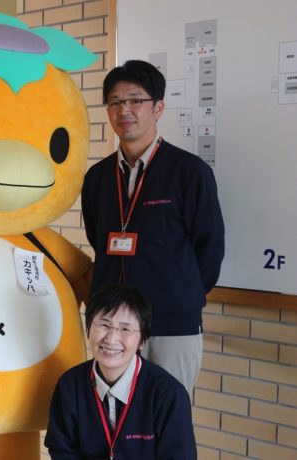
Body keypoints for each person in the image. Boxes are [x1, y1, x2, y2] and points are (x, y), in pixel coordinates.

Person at [81, 60, 224, 394]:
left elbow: (210, 247)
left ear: (158, 108)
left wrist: (177, 293)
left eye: (135, 100)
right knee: (115, 414)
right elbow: (98, 238)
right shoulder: (97, 177)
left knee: (168, 414)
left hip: (171, 324)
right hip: (112, 326)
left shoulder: (189, 172)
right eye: (115, 102)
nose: (124, 110)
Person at [45, 284, 196, 459]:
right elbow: (61, 450)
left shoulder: (169, 395)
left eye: (125, 329)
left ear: (142, 340)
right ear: (88, 329)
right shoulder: (69, 385)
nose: (111, 339)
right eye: (104, 325)